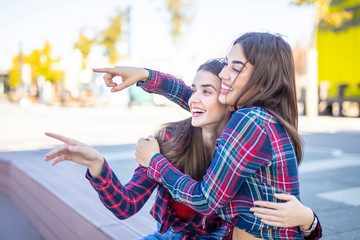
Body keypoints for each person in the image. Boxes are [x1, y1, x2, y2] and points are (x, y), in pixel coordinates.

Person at [94, 32, 322, 239]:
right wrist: (145, 75)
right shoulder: (262, 118)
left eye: (235, 67)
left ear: (262, 77)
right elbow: (199, 102)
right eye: (226, 64)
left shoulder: (249, 121)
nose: (224, 73)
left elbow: (205, 200)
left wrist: (154, 161)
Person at [44, 60, 229, 240]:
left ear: (229, 100)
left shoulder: (238, 148)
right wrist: (97, 165)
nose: (193, 98)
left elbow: (210, 200)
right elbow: (126, 205)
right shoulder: (170, 140)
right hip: (167, 234)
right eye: (194, 89)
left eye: (206, 91)